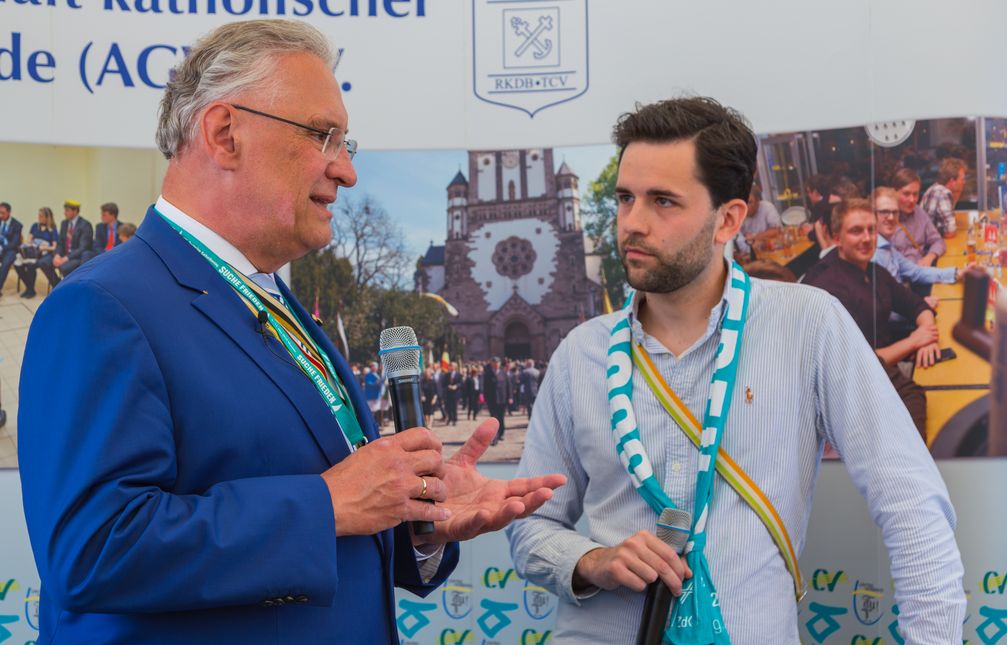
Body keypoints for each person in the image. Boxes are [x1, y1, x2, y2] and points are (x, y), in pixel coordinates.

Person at [18, 20, 564, 644]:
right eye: (322, 135)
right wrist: (326, 505)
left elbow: (332, 522)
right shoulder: (100, 306)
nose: (346, 171)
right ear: (226, 134)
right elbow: (91, 551)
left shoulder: (276, 301)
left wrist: (421, 524)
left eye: (346, 144)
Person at [507, 97, 964, 643]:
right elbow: (530, 526)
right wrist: (592, 560)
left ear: (728, 218)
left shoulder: (808, 325)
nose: (632, 223)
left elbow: (911, 504)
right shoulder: (581, 354)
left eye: (663, 202)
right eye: (625, 198)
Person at [803, 199, 941, 434]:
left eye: (871, 230)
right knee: (916, 398)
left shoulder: (872, 270)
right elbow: (860, 362)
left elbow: (914, 304)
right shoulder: (828, 287)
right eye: (856, 231)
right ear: (837, 238)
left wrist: (928, 335)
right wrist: (916, 341)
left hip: (882, 366)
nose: (867, 238)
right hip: (846, 387)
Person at [874, 187, 961, 289]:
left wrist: (958, 272)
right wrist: (918, 301)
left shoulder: (888, 247)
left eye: (895, 212)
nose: (891, 217)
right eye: (884, 212)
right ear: (872, 214)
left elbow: (916, 272)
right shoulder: (873, 254)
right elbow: (885, 299)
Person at [889, 168, 946, 267]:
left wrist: (930, 256)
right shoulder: (886, 219)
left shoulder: (919, 212)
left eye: (915, 194)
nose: (912, 200)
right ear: (894, 192)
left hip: (922, 272)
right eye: (906, 194)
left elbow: (938, 241)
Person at [16, 207, 58, 298]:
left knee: (32, 265)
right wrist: (29, 245)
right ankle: (29, 288)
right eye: (38, 215)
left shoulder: (52, 229)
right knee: (17, 264)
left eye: (41, 216)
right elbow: (29, 240)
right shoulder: (35, 226)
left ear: (47, 217)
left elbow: (54, 247)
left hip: (45, 253)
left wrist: (44, 247)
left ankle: (32, 290)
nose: (38, 217)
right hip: (33, 252)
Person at [920, 157, 967, 237]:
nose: (964, 182)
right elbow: (950, 231)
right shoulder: (942, 194)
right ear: (952, 181)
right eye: (962, 179)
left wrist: (957, 192)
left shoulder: (936, 188)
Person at [0, 202, 23, 294]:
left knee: (6, 263)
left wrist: (2, 248)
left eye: (3, 213)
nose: (0, 215)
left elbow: (14, 243)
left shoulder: (17, 225)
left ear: (9, 212)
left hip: (10, 250)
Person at [442, 361, 462, 425]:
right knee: (448, 407)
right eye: (450, 366)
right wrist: (448, 386)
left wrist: (456, 386)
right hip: (448, 393)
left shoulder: (458, 374)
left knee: (454, 407)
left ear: (455, 367)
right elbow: (444, 383)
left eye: (452, 366)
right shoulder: (447, 374)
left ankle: (454, 420)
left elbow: (461, 383)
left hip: (455, 394)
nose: (451, 367)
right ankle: (449, 418)